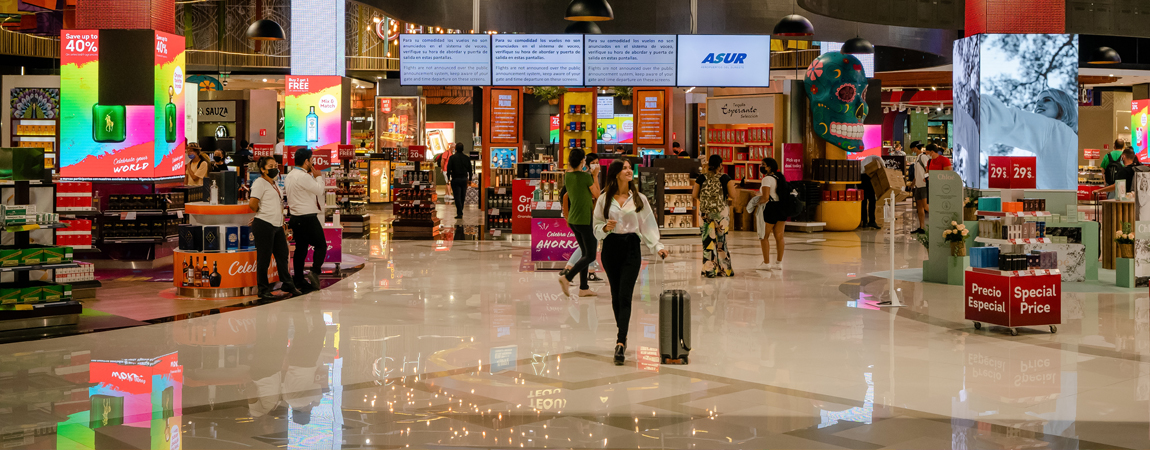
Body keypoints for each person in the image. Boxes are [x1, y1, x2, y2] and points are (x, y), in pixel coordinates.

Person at [593, 159, 667, 365]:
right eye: (624, 168)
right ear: (616, 173)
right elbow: (596, 225)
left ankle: (620, 342)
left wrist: (658, 246)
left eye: (629, 168)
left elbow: (648, 225)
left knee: (625, 295)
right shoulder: (604, 199)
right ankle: (623, 333)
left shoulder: (639, 199)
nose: (629, 171)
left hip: (631, 248)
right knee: (615, 296)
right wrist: (605, 228)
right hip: (610, 249)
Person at [979, 90, 1078, 190]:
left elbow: (1006, 119)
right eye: (1037, 102)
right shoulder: (1074, 140)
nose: (1038, 104)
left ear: (1063, 106)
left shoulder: (1052, 129)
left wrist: (980, 105)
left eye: (1047, 100)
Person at [249, 156, 302, 300]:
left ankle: (287, 283)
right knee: (264, 259)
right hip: (264, 224)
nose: (274, 168)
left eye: (275, 165)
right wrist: (261, 213)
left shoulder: (274, 183)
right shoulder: (259, 183)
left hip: (277, 224)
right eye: (270, 166)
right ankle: (263, 289)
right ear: (262, 169)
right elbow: (253, 204)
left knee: (282, 255)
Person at [558, 149, 602, 298]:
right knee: (590, 255)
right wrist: (595, 176)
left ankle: (584, 288)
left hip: (573, 220)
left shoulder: (568, 176)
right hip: (585, 219)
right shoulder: (586, 177)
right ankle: (567, 277)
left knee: (584, 253)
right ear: (583, 160)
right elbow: (597, 194)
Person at [284, 148, 328, 293]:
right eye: (311, 159)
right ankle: (315, 271)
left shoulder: (290, 175)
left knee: (301, 249)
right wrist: (318, 177)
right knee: (321, 245)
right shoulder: (304, 177)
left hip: (295, 217)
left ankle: (298, 279)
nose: (313, 162)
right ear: (306, 161)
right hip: (308, 217)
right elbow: (319, 190)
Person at [693, 154, 735, 277]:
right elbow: (733, 195)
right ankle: (725, 270)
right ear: (720, 165)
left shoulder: (701, 178)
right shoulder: (725, 178)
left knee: (708, 243)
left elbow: (695, 195)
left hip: (705, 215)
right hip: (721, 215)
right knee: (721, 242)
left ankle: (709, 270)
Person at [757, 157, 787, 271]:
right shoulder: (780, 177)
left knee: (764, 236)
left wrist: (756, 203)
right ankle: (779, 263)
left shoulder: (767, 179)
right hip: (782, 207)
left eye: (763, 164)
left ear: (770, 166)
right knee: (779, 236)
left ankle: (766, 263)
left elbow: (765, 197)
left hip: (771, 208)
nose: (762, 167)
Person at [446, 143, 473, 219]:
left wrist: (448, 177)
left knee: (457, 196)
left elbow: (448, 168)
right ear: (463, 149)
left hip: (455, 179)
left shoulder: (452, 158)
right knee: (462, 196)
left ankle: (459, 212)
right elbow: (470, 170)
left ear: (456, 149)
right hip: (464, 179)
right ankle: (460, 211)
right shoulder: (466, 158)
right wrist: (470, 179)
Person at [908, 142, 929, 234]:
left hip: (924, 185)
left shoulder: (923, 157)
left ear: (916, 148)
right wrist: (913, 183)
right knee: (919, 207)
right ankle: (921, 227)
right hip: (918, 185)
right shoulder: (917, 159)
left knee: (925, 206)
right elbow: (918, 173)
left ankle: (939, 219)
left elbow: (927, 168)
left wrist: (927, 178)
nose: (912, 150)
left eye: (912, 148)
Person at [859, 154, 881, 229]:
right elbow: (883, 168)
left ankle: (864, 221)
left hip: (861, 178)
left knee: (863, 201)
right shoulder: (878, 159)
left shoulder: (865, 161)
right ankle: (872, 221)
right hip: (868, 178)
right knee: (872, 200)